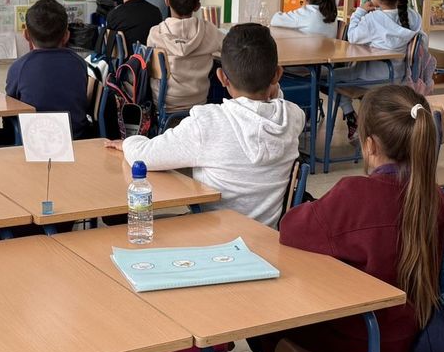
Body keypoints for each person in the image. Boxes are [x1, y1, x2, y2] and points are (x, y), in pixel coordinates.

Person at [256, 85, 444, 352]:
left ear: (369, 145)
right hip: (413, 340)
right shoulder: (435, 198)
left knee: (272, 322)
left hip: (357, 345)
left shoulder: (354, 195)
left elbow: (291, 229)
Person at [113, 23, 304, 226]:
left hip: (212, 235)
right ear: (277, 75)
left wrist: (128, 142)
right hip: (266, 236)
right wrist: (271, 86)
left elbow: (143, 157)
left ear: (222, 77)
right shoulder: (293, 117)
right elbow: (275, 104)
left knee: (137, 225)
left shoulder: (207, 123)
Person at [338, 0, 422, 142]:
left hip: (370, 78)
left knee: (330, 77)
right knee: (336, 76)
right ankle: (359, 118)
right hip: (397, 78)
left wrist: (360, 11)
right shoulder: (413, 17)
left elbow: (352, 36)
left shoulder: (373, 20)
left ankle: (350, 115)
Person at [5, 0, 92, 138]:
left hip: (34, 141)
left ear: (26, 35)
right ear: (66, 36)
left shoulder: (18, 67)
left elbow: (10, 106)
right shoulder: (79, 63)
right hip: (76, 138)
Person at [146, 0, 221, 117]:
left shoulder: (156, 33)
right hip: (199, 102)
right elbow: (229, 47)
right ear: (197, 6)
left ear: (167, 0)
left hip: (164, 104)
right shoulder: (209, 30)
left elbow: (149, 67)